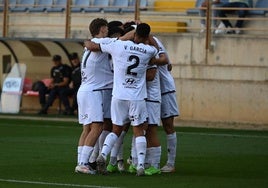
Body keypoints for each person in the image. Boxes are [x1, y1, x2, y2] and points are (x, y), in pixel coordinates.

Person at [85, 23, 167, 176]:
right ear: (146, 36)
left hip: (118, 96)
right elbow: (163, 58)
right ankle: (141, 166)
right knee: (139, 131)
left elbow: (93, 45)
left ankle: (103, 155)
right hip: (137, 97)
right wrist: (150, 38)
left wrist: (127, 36)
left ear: (134, 34)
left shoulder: (119, 46)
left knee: (116, 130)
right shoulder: (149, 51)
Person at [75, 18, 114, 174]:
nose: (108, 31)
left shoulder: (89, 45)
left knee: (87, 129)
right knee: (97, 127)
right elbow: (122, 40)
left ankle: (80, 162)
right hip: (93, 91)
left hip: (84, 90)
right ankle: (83, 163)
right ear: (103, 29)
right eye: (107, 28)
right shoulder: (102, 42)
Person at [156, 37, 180, 173]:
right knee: (145, 126)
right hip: (151, 92)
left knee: (168, 125)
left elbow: (167, 63)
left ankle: (171, 163)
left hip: (165, 89)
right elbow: (169, 65)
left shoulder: (154, 42)